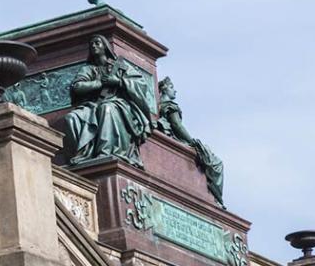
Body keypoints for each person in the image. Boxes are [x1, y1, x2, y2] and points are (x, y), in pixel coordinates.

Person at [63, 35, 153, 168]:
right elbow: (77, 87)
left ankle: (105, 152)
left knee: (106, 108)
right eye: (91, 44)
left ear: (105, 46)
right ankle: (82, 154)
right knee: (71, 118)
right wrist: (98, 83)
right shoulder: (88, 69)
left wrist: (118, 82)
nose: (93, 46)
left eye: (97, 43)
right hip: (92, 106)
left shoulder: (120, 66)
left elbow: (140, 84)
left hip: (118, 104)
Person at [157, 77, 225, 208]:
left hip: (172, 136)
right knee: (217, 163)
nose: (175, 91)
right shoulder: (170, 106)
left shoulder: (161, 106)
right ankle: (215, 197)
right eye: (171, 87)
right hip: (179, 138)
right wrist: (191, 141)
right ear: (164, 89)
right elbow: (177, 126)